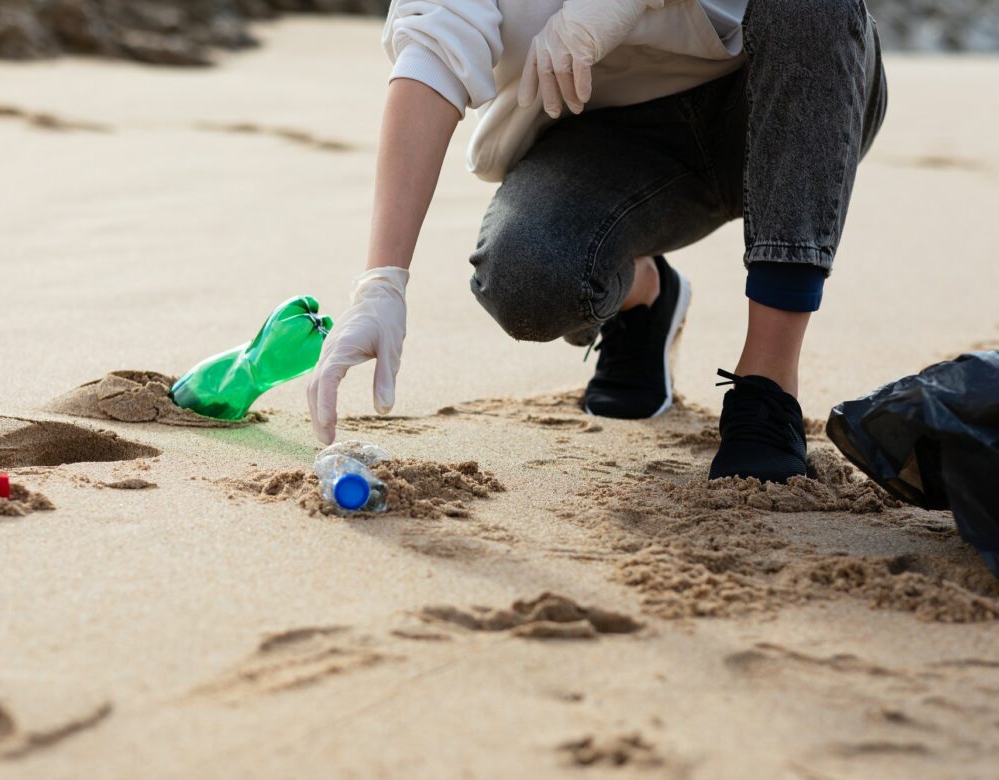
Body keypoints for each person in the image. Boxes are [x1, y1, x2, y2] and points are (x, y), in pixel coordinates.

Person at [306, 0, 888, 483]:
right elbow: (432, 55)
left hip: (785, 92)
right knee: (527, 275)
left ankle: (768, 383)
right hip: (608, 132)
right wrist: (382, 281)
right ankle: (644, 296)